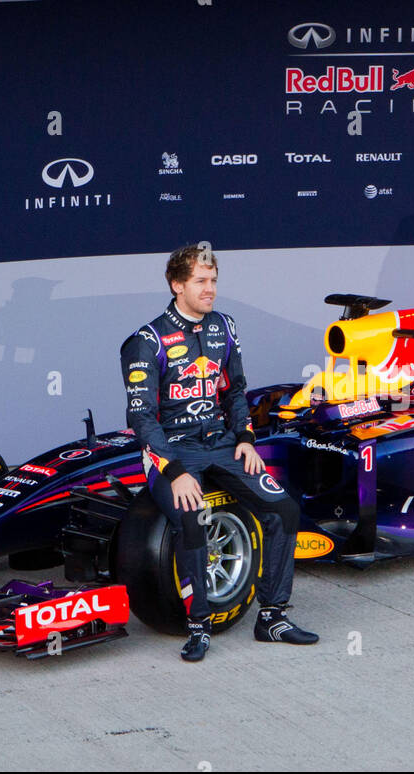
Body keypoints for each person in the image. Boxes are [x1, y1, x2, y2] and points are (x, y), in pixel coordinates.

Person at [119, 244, 318, 660]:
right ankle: (199, 625)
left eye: (213, 282)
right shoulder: (146, 341)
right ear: (177, 285)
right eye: (200, 282)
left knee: (283, 511)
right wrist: (173, 469)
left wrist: (246, 439)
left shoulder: (224, 327)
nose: (209, 290)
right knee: (191, 518)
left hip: (222, 445)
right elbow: (142, 418)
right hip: (172, 451)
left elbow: (237, 392)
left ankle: (273, 617)